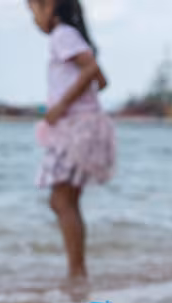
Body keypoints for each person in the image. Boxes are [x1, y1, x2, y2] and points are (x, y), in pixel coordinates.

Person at [28, 0, 115, 286]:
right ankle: (77, 270)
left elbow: (92, 70)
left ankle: (76, 271)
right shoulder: (72, 35)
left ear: (50, 5)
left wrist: (61, 103)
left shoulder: (62, 35)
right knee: (68, 200)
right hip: (84, 125)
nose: (33, 19)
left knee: (61, 199)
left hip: (74, 128)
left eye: (33, 9)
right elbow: (100, 79)